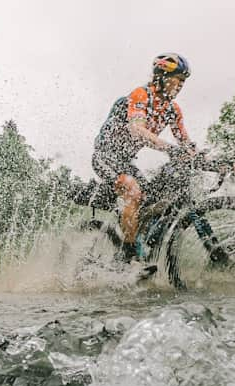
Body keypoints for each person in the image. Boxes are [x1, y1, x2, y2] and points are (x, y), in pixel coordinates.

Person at [91, 53, 196, 261]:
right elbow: (137, 130)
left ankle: (138, 246)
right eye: (178, 78)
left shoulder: (173, 110)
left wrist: (211, 162)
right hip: (106, 156)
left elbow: (186, 145)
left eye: (184, 81)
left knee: (151, 200)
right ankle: (129, 253)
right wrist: (170, 149)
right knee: (133, 190)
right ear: (163, 76)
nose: (181, 84)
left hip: (126, 162)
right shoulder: (141, 95)